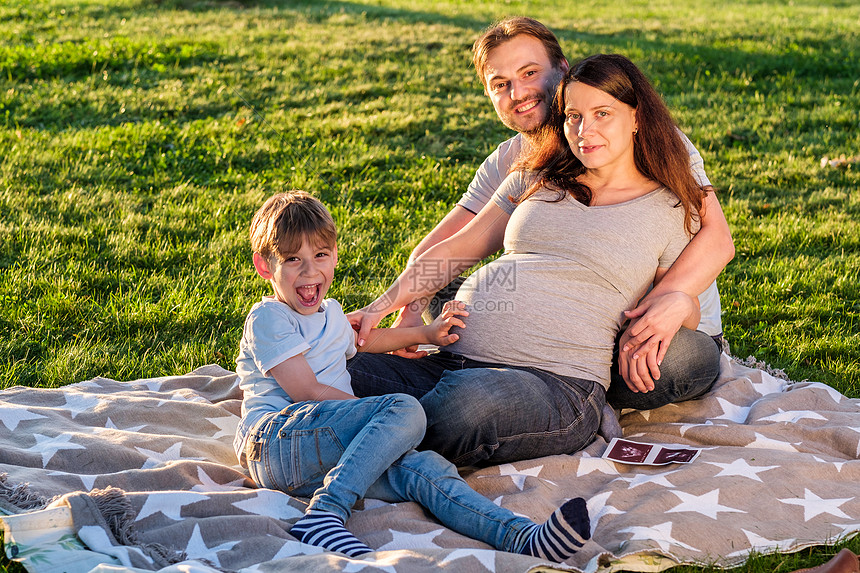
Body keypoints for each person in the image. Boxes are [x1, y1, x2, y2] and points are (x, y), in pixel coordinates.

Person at [346, 53, 711, 467]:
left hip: (556, 385)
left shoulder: (667, 206)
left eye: (602, 114)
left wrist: (681, 302)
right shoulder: (536, 176)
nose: (584, 130)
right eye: (573, 116)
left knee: (463, 408)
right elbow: (454, 251)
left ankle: (353, 436)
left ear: (636, 117)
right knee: (333, 360)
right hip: (450, 364)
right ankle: (370, 435)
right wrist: (379, 307)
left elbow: (679, 303)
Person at [233, 191, 591, 561]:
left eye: (320, 256)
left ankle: (521, 538)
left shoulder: (331, 314)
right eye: (293, 260)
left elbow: (368, 341)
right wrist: (380, 414)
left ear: (335, 256)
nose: (310, 271)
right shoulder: (270, 318)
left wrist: (426, 334)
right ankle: (325, 513)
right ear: (264, 266)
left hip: (326, 456)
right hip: (274, 440)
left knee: (424, 468)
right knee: (404, 411)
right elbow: (306, 390)